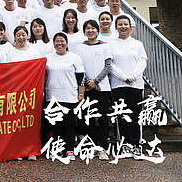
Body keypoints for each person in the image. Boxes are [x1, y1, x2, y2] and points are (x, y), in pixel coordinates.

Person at [109, 15, 147, 159]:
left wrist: (132, 76)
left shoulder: (137, 44)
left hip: (135, 85)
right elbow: (109, 64)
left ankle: (136, 145)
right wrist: (122, 76)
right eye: (120, 24)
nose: (123, 27)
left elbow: (142, 61)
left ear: (130, 27)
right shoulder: (110, 44)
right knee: (121, 115)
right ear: (116, 27)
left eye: (126, 24)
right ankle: (124, 145)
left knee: (136, 115)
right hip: (118, 85)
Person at [45, 33, 85, 161]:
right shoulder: (47, 58)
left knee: (69, 125)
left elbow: (81, 77)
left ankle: (69, 150)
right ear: (53, 43)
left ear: (66, 43)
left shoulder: (74, 58)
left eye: (62, 41)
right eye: (57, 41)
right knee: (55, 125)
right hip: (52, 96)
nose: (59, 44)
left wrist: (81, 94)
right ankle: (58, 149)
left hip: (70, 96)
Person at [78, 20, 112, 160]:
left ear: (98, 30)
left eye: (93, 28)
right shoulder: (80, 47)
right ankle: (92, 147)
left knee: (103, 118)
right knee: (90, 118)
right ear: (84, 31)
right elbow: (79, 67)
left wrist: (96, 81)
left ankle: (102, 147)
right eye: (88, 28)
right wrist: (89, 82)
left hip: (103, 88)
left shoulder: (105, 46)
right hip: (87, 89)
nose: (90, 31)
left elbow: (108, 66)